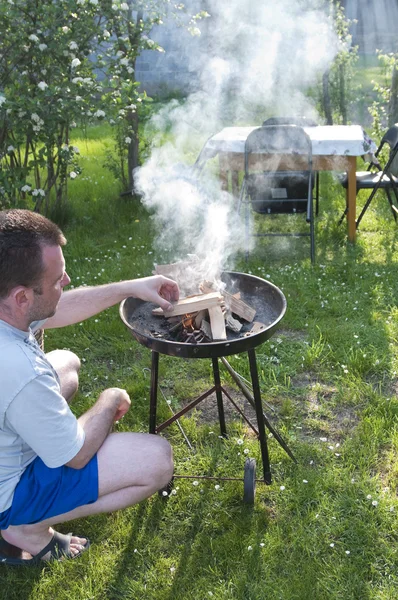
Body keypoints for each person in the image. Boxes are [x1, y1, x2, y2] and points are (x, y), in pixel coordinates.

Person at [0, 208, 179, 565]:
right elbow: (77, 455)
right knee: (158, 460)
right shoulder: (20, 369)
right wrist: (109, 401)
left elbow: (55, 307)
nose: (65, 281)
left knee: (66, 364)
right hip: (8, 490)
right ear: (22, 297)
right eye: (57, 280)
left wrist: (130, 287)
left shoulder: (9, 303)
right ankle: (23, 527)